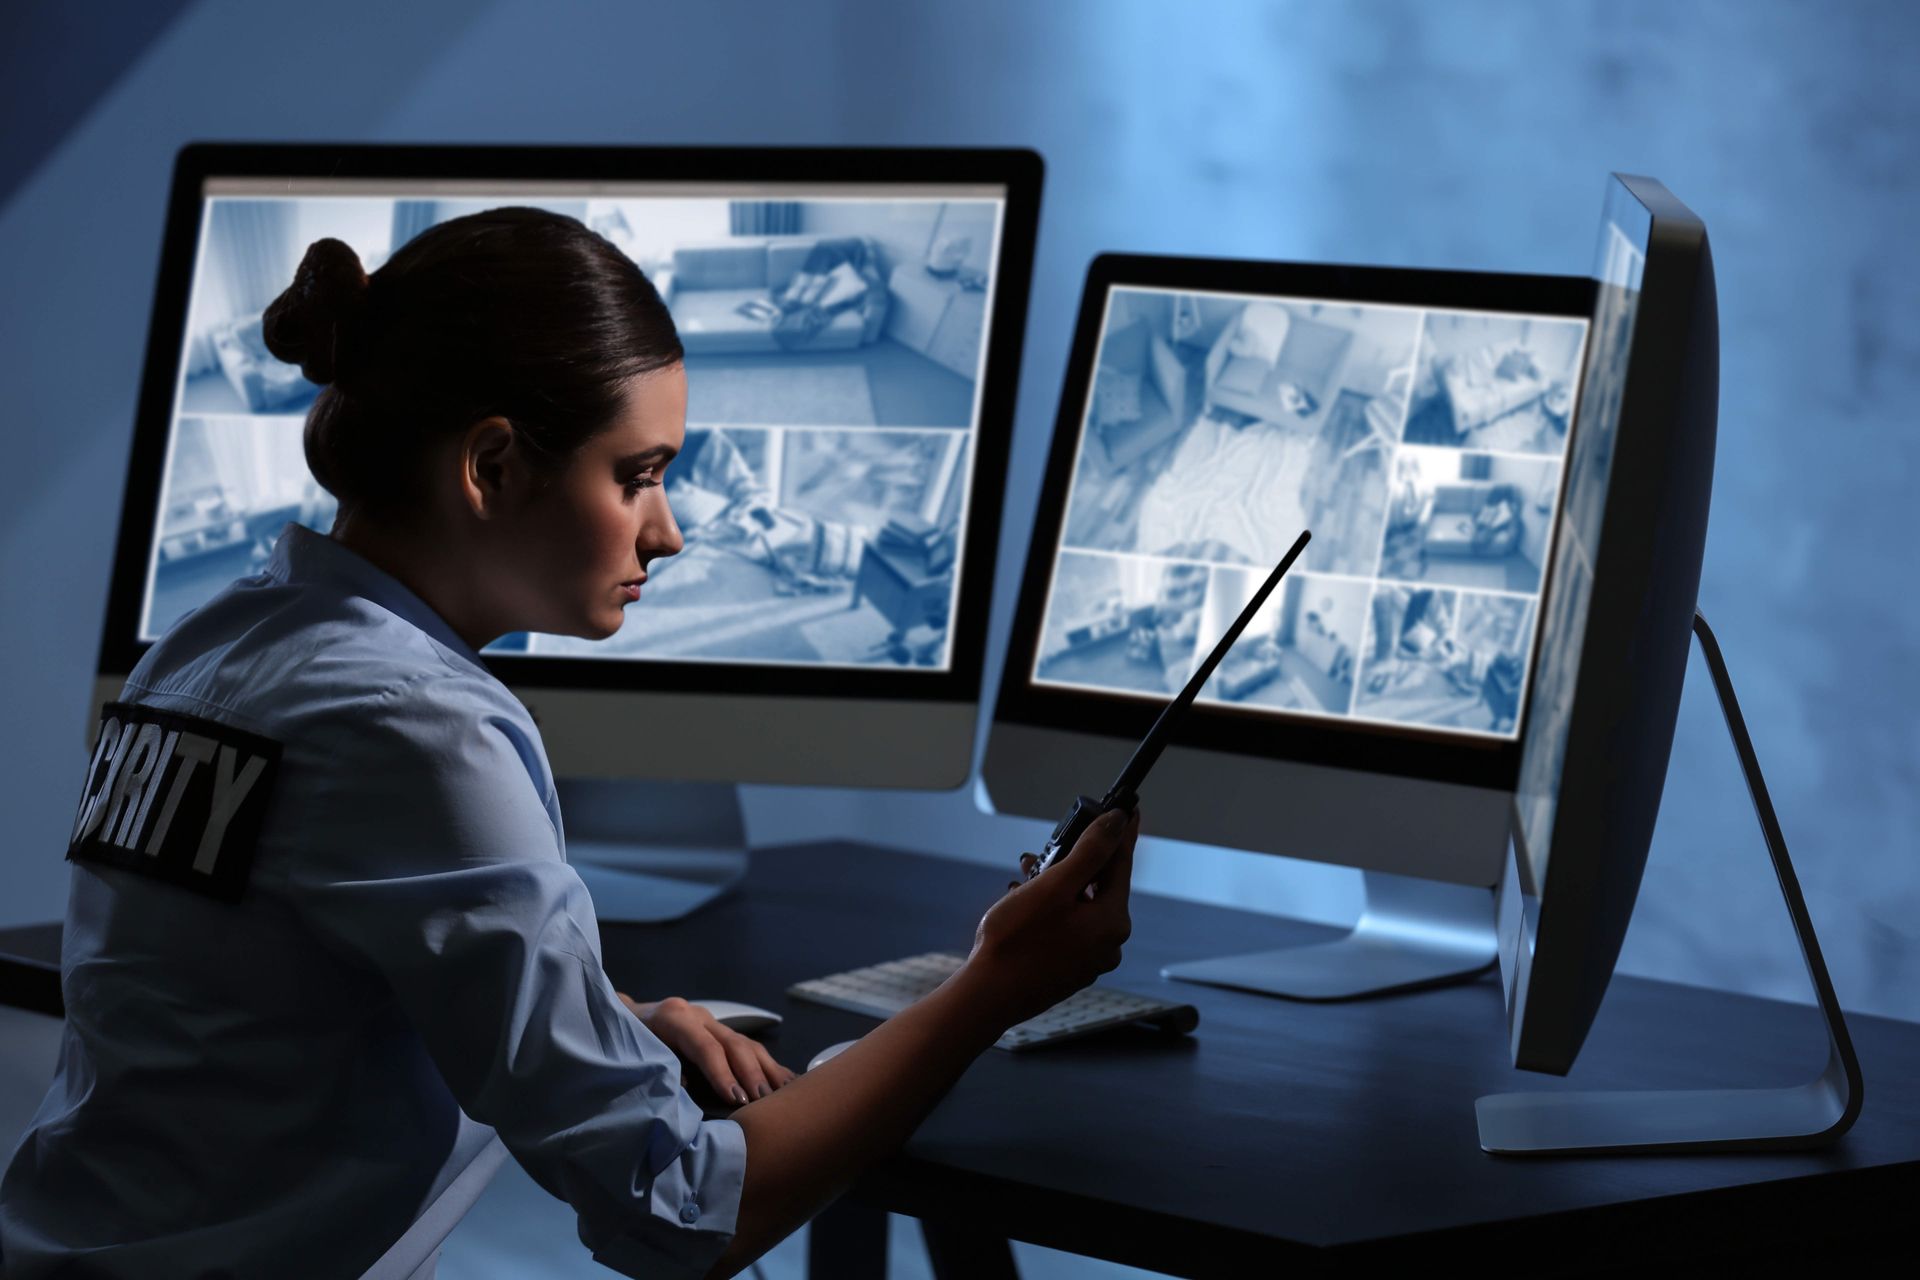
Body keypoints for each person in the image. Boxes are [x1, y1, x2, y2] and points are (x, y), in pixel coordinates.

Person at [0, 209, 1139, 1280]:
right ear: (491, 466)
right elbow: (678, 1210)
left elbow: (263, 996)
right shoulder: (418, 722)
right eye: (636, 477)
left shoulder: (199, 650)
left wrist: (606, 1018)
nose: (669, 532)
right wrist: (995, 983)